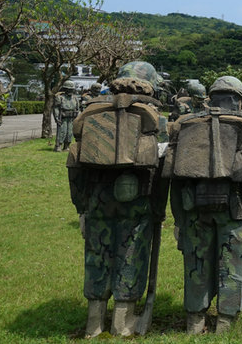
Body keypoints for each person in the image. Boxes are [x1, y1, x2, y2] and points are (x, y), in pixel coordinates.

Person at [67, 61, 168, 337]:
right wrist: (159, 209)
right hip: (138, 199)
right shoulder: (156, 119)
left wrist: (82, 206)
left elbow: (74, 163)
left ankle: (94, 323)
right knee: (132, 254)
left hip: (97, 197)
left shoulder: (92, 112)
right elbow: (162, 170)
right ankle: (123, 322)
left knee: (97, 255)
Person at [167, 76, 242, 334]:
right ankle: (225, 324)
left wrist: (178, 219)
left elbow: (174, 179)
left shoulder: (186, 125)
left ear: (211, 97)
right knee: (231, 265)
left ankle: (194, 322)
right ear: (240, 100)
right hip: (235, 209)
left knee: (196, 264)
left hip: (193, 209)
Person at [54, 80, 81, 152]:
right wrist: (56, 117)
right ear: (65, 89)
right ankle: (58, 145)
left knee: (70, 132)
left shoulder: (75, 98)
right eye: (69, 89)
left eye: (72, 89)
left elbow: (78, 108)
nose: (70, 91)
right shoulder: (60, 97)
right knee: (62, 131)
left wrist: (77, 117)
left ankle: (67, 146)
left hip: (71, 118)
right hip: (63, 117)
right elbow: (56, 108)